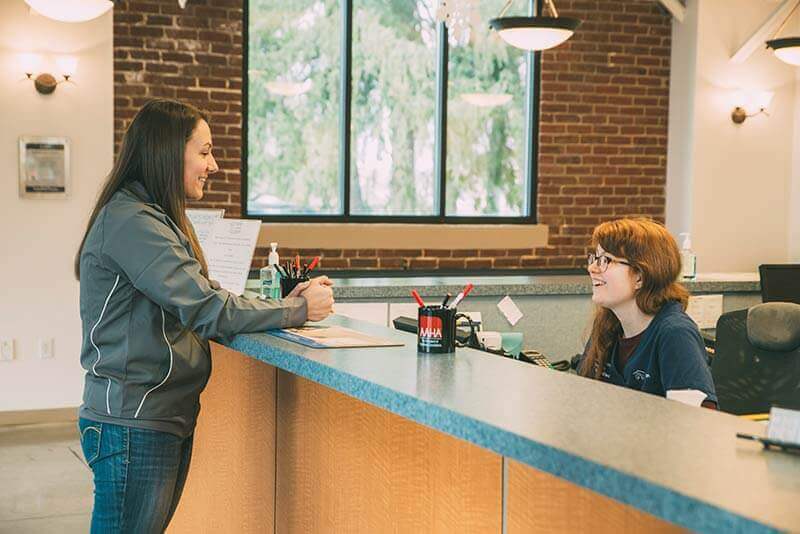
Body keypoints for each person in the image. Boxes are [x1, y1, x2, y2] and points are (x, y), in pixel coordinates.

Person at [74, 99, 334, 533]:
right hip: (133, 421)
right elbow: (207, 308)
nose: (213, 165)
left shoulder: (158, 217)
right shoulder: (132, 221)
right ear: (167, 152)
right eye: (205, 151)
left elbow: (206, 294)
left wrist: (286, 305)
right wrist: (299, 309)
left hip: (156, 417)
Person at [578, 218, 717, 408]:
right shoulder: (607, 323)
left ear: (640, 277)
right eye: (594, 258)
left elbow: (698, 419)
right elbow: (582, 397)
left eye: (606, 260)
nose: (592, 268)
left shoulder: (675, 333)